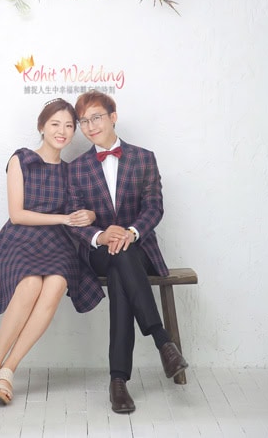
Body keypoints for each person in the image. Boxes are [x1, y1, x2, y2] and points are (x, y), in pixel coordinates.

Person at [0, 98, 104, 406]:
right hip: (20, 239)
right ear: (42, 126)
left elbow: (85, 210)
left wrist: (91, 215)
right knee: (30, 283)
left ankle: (8, 371)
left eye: (69, 126)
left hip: (58, 244)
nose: (62, 131)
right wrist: (63, 218)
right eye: (55, 124)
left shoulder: (72, 171)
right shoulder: (22, 159)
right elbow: (17, 214)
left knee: (55, 284)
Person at [67, 90, 188, 414]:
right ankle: (163, 341)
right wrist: (100, 235)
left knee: (123, 262)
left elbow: (154, 207)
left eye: (96, 117)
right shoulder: (76, 169)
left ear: (113, 117)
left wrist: (131, 233)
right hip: (97, 253)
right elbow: (74, 220)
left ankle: (118, 381)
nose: (90, 126)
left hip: (138, 249)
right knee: (118, 256)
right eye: (83, 121)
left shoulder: (144, 158)